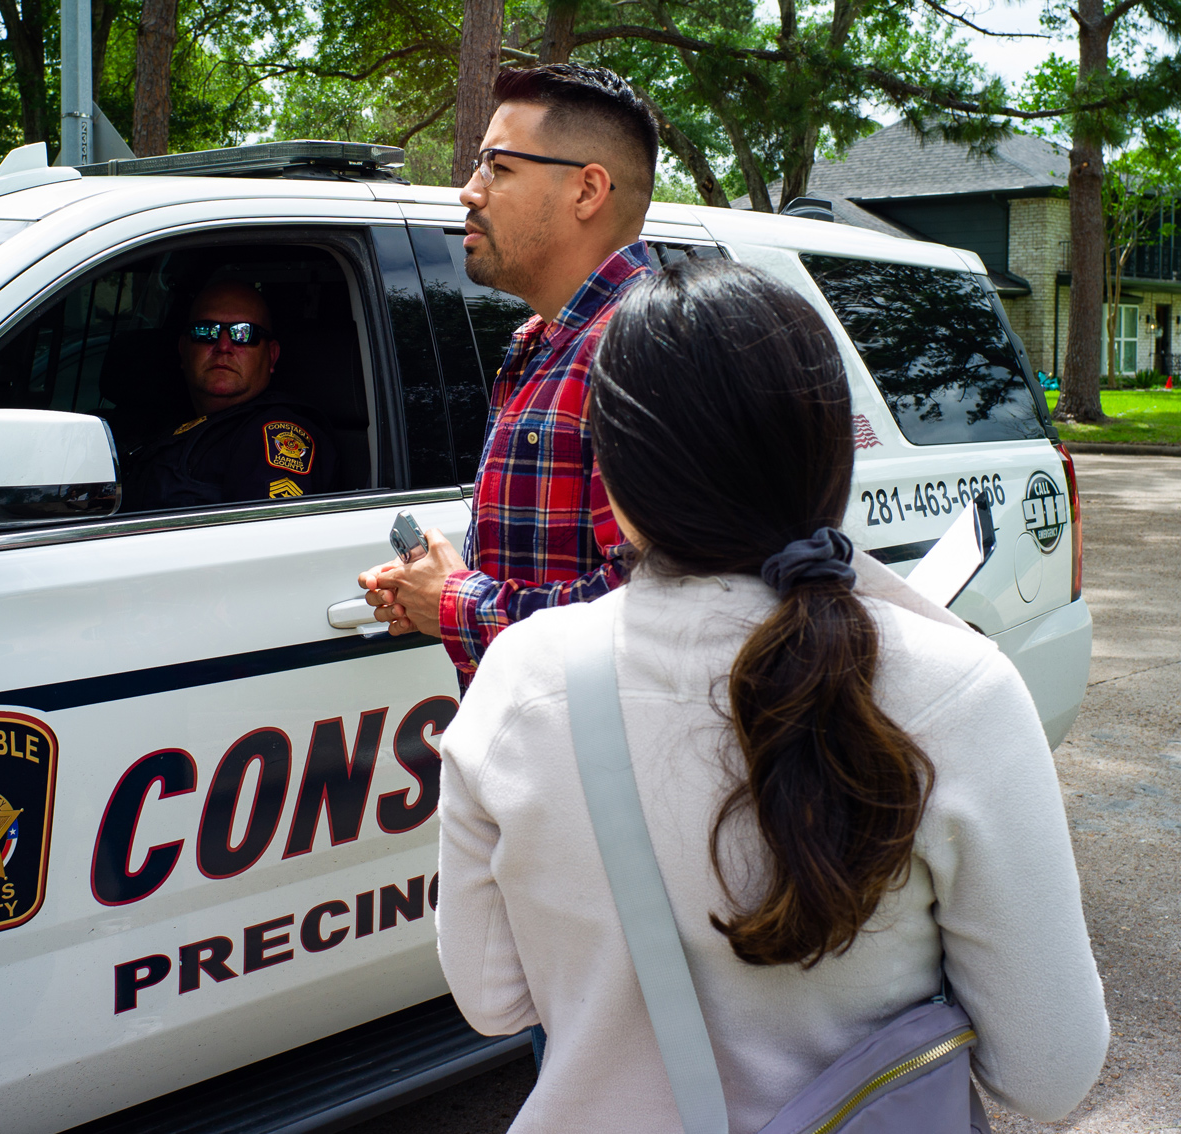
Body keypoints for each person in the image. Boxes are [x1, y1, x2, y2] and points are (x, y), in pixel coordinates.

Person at [434, 261, 1107, 1132]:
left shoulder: (520, 681)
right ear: (832, 452)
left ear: (615, 479)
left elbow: (493, 1000)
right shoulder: (958, 692)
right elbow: (1048, 1075)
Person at [358, 63, 658, 683]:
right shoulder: (540, 342)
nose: (469, 191)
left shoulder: (644, 350)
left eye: (498, 166)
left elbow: (654, 615)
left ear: (586, 190)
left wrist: (455, 601)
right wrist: (442, 586)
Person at [124, 281, 337, 510]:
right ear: (183, 349)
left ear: (272, 356)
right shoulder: (155, 422)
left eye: (244, 333)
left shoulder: (272, 434)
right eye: (206, 331)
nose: (223, 346)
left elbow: (268, 538)